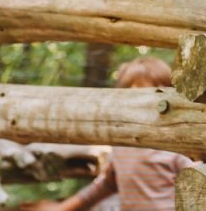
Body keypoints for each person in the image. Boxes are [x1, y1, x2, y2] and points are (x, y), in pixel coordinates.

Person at [19, 57, 193, 210]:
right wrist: (62, 208)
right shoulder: (121, 144)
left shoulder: (175, 144)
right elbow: (107, 184)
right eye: (138, 95)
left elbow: (197, 180)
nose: (149, 103)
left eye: (159, 95)